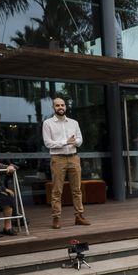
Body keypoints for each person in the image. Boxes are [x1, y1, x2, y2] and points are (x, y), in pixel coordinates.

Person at [42, 97, 91, 229]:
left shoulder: (74, 123)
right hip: (58, 158)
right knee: (57, 190)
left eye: (62, 105)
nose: (60, 107)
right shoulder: (48, 123)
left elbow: (80, 139)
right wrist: (66, 141)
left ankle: (79, 216)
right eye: (57, 105)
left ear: (65, 106)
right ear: (53, 107)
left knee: (77, 189)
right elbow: (48, 143)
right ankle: (56, 218)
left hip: (74, 157)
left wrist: (75, 142)